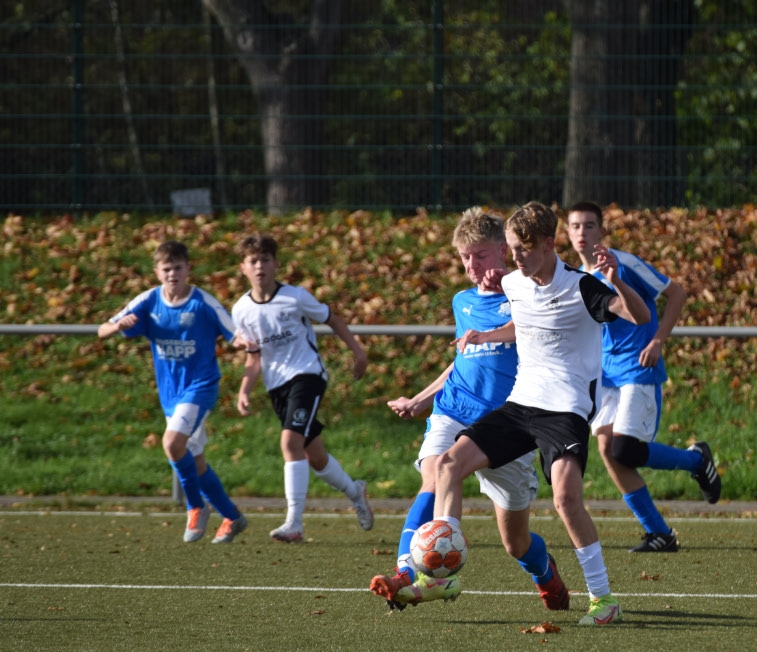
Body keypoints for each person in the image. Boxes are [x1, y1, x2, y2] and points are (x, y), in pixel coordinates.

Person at [428, 201, 651, 626]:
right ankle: (442, 568)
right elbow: (526, 324)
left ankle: (603, 600)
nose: (515, 257)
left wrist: (617, 281)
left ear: (549, 244)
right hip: (520, 404)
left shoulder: (583, 287)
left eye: (524, 249)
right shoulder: (514, 282)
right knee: (449, 464)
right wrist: (486, 335)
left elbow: (639, 317)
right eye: (512, 248)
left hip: (565, 411)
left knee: (566, 499)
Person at [369, 207, 568, 613]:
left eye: (480, 255)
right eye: (464, 257)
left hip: (505, 424)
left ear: (503, 252)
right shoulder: (462, 301)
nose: (472, 265)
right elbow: (463, 359)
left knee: (516, 543)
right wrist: (421, 398)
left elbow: (544, 329)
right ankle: (410, 571)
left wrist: (512, 287)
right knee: (436, 473)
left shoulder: (527, 292)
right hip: (455, 408)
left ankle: (544, 572)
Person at [565, 201, 721, 552]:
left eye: (589, 225)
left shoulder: (624, 263)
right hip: (604, 375)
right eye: (575, 226)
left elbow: (676, 293)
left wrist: (658, 340)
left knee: (625, 448)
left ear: (602, 230)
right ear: (567, 233)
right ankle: (658, 533)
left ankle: (697, 461)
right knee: (608, 450)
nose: (582, 232)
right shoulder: (574, 277)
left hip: (637, 366)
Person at [97, 240, 248, 544]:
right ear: (157, 271)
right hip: (171, 394)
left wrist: (244, 342)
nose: (172, 274)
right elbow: (103, 329)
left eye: (178, 268)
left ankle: (195, 507)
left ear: (188, 269)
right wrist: (117, 326)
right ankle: (232, 516)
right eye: (166, 269)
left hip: (201, 386)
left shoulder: (202, 303)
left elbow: (234, 332)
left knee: (171, 443)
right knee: (194, 460)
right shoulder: (148, 300)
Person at [231, 234, 373, 542]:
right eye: (253, 261)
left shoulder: (295, 297)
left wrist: (358, 352)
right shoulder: (241, 309)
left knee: (289, 442)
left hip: (307, 375)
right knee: (314, 455)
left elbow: (332, 319)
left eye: (265, 260)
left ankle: (294, 523)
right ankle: (355, 491)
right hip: (276, 386)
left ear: (276, 264)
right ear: (243, 267)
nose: (260, 266)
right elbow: (253, 355)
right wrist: (244, 389)